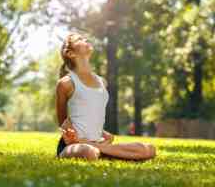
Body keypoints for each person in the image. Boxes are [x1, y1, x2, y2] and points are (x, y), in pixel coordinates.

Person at [55, 32, 156, 161]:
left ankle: (101, 151)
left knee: (149, 149)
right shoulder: (66, 83)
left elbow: (91, 115)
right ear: (70, 53)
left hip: (99, 143)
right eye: (79, 39)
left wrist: (103, 134)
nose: (85, 39)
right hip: (72, 146)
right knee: (89, 152)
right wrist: (69, 134)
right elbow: (63, 121)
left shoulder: (102, 82)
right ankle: (109, 153)